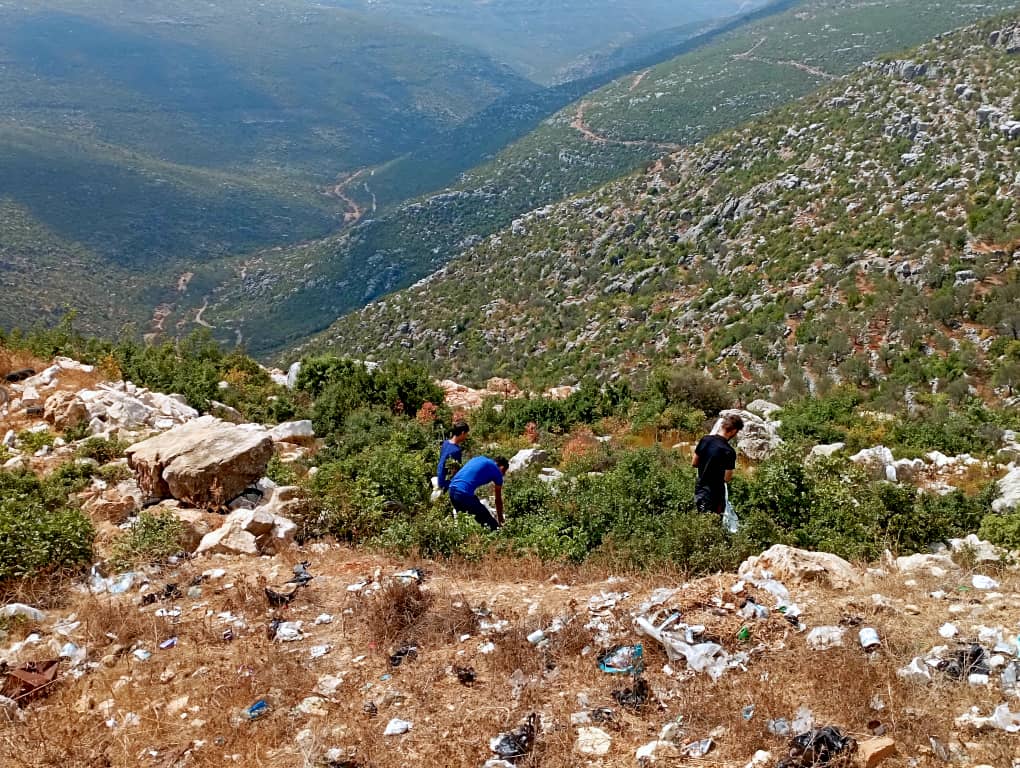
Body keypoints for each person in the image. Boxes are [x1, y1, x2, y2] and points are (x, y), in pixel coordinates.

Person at [692, 413, 744, 515]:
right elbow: (727, 478)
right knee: (714, 524)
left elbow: (694, 462)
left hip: (701, 490)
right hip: (716, 495)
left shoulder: (705, 440)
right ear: (733, 431)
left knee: (700, 520)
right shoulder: (729, 451)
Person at [448, 455, 508, 531]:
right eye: (504, 473)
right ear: (502, 468)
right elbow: (498, 500)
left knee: (463, 523)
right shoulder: (497, 471)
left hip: (451, 490)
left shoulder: (479, 459)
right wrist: (501, 521)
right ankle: (499, 536)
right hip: (463, 494)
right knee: (489, 523)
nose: (503, 475)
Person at [436, 421, 470, 493]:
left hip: (440, 478)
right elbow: (456, 471)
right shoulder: (456, 450)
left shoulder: (445, 443)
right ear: (462, 433)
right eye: (466, 434)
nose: (466, 437)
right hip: (445, 484)